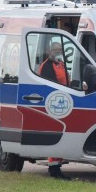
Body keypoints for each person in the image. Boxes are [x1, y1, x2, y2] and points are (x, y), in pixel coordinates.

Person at [37, 42, 70, 180]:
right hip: (53, 103)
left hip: (64, 102)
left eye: (60, 50)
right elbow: (49, 84)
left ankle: (57, 167)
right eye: (56, 50)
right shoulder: (46, 66)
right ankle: (54, 169)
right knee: (56, 134)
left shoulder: (61, 64)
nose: (58, 52)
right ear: (51, 51)